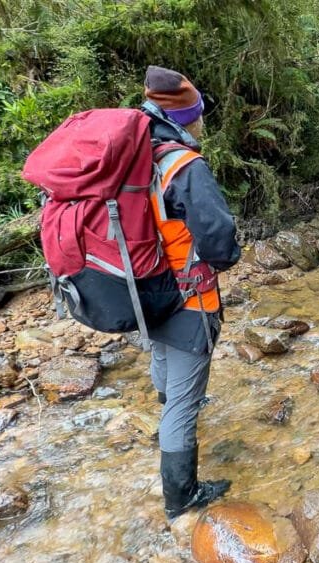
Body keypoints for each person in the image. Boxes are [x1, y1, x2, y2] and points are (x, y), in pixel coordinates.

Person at [141, 65, 241, 520]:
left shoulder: (133, 154)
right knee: (185, 401)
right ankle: (181, 498)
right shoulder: (184, 164)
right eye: (199, 113)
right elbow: (218, 237)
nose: (202, 121)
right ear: (187, 117)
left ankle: (164, 422)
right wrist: (224, 259)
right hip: (185, 295)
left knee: (161, 356)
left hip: (139, 289)